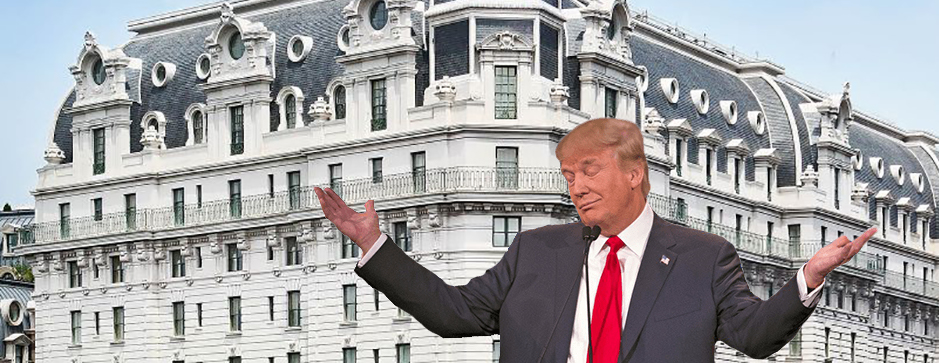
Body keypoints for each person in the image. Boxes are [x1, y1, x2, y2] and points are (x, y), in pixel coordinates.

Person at [315, 117, 876, 362]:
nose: (576, 187)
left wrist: (809, 277)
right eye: (568, 176)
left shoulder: (704, 259)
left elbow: (754, 337)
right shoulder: (537, 252)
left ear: (634, 174)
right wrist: (376, 248)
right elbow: (454, 313)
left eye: (589, 171)